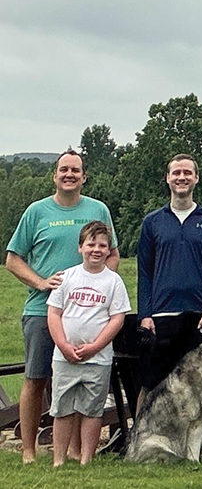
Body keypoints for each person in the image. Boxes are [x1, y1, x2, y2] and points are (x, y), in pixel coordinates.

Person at [5, 150, 119, 464]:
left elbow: (112, 256)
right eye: (63, 170)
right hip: (43, 311)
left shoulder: (98, 209)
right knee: (36, 378)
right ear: (54, 175)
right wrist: (40, 282)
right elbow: (13, 259)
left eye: (76, 170)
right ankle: (29, 451)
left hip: (86, 315)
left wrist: (100, 289)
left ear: (84, 177)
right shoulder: (36, 211)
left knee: (79, 380)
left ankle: (74, 451)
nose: (69, 175)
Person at [137, 154, 202, 402]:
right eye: (176, 173)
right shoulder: (152, 222)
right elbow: (144, 270)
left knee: (201, 385)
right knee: (152, 384)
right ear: (167, 178)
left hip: (199, 317)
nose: (181, 177)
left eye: (187, 172)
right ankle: (140, 437)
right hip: (161, 316)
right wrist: (145, 314)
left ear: (196, 178)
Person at [46, 221, 130, 466]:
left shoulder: (113, 282)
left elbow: (117, 318)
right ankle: (58, 460)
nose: (96, 249)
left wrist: (95, 346)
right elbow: (54, 314)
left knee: (92, 410)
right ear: (80, 247)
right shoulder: (67, 277)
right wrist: (63, 345)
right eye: (91, 244)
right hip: (65, 357)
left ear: (108, 250)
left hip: (98, 358)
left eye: (102, 245)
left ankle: (86, 459)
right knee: (62, 409)